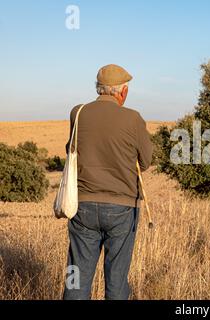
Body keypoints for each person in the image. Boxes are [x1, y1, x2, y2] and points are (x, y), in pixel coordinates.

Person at [63, 64, 153, 300]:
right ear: (122, 92)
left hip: (82, 207)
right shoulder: (133, 118)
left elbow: (70, 151)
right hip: (122, 209)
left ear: (98, 88)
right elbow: (145, 161)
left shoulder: (78, 112)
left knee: (77, 279)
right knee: (116, 281)